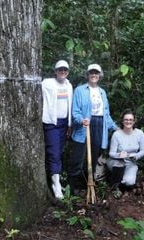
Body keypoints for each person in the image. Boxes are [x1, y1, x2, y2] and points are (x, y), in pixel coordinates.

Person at [68, 63, 117, 195]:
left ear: (100, 75)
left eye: (96, 73)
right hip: (84, 124)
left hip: (99, 124)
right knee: (78, 156)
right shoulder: (80, 90)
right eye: (91, 73)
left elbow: (106, 114)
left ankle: (87, 185)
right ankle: (73, 189)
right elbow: (75, 111)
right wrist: (80, 120)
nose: (94, 75)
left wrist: (115, 127)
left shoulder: (102, 92)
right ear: (87, 75)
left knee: (93, 157)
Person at [42, 60, 73, 199]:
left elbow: (69, 105)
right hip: (52, 123)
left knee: (59, 153)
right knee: (54, 153)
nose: (63, 72)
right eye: (60, 69)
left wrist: (69, 125)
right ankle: (56, 184)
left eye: (65, 70)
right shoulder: (48, 83)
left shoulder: (69, 85)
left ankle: (56, 179)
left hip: (64, 123)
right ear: (55, 71)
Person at [107, 109, 144, 198]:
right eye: (126, 120)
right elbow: (111, 153)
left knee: (129, 182)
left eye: (130, 120)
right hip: (116, 161)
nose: (128, 122)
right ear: (122, 121)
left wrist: (136, 156)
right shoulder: (116, 134)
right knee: (119, 164)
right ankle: (114, 187)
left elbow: (143, 151)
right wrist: (119, 155)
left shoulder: (140, 133)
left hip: (131, 162)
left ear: (134, 121)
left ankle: (119, 180)